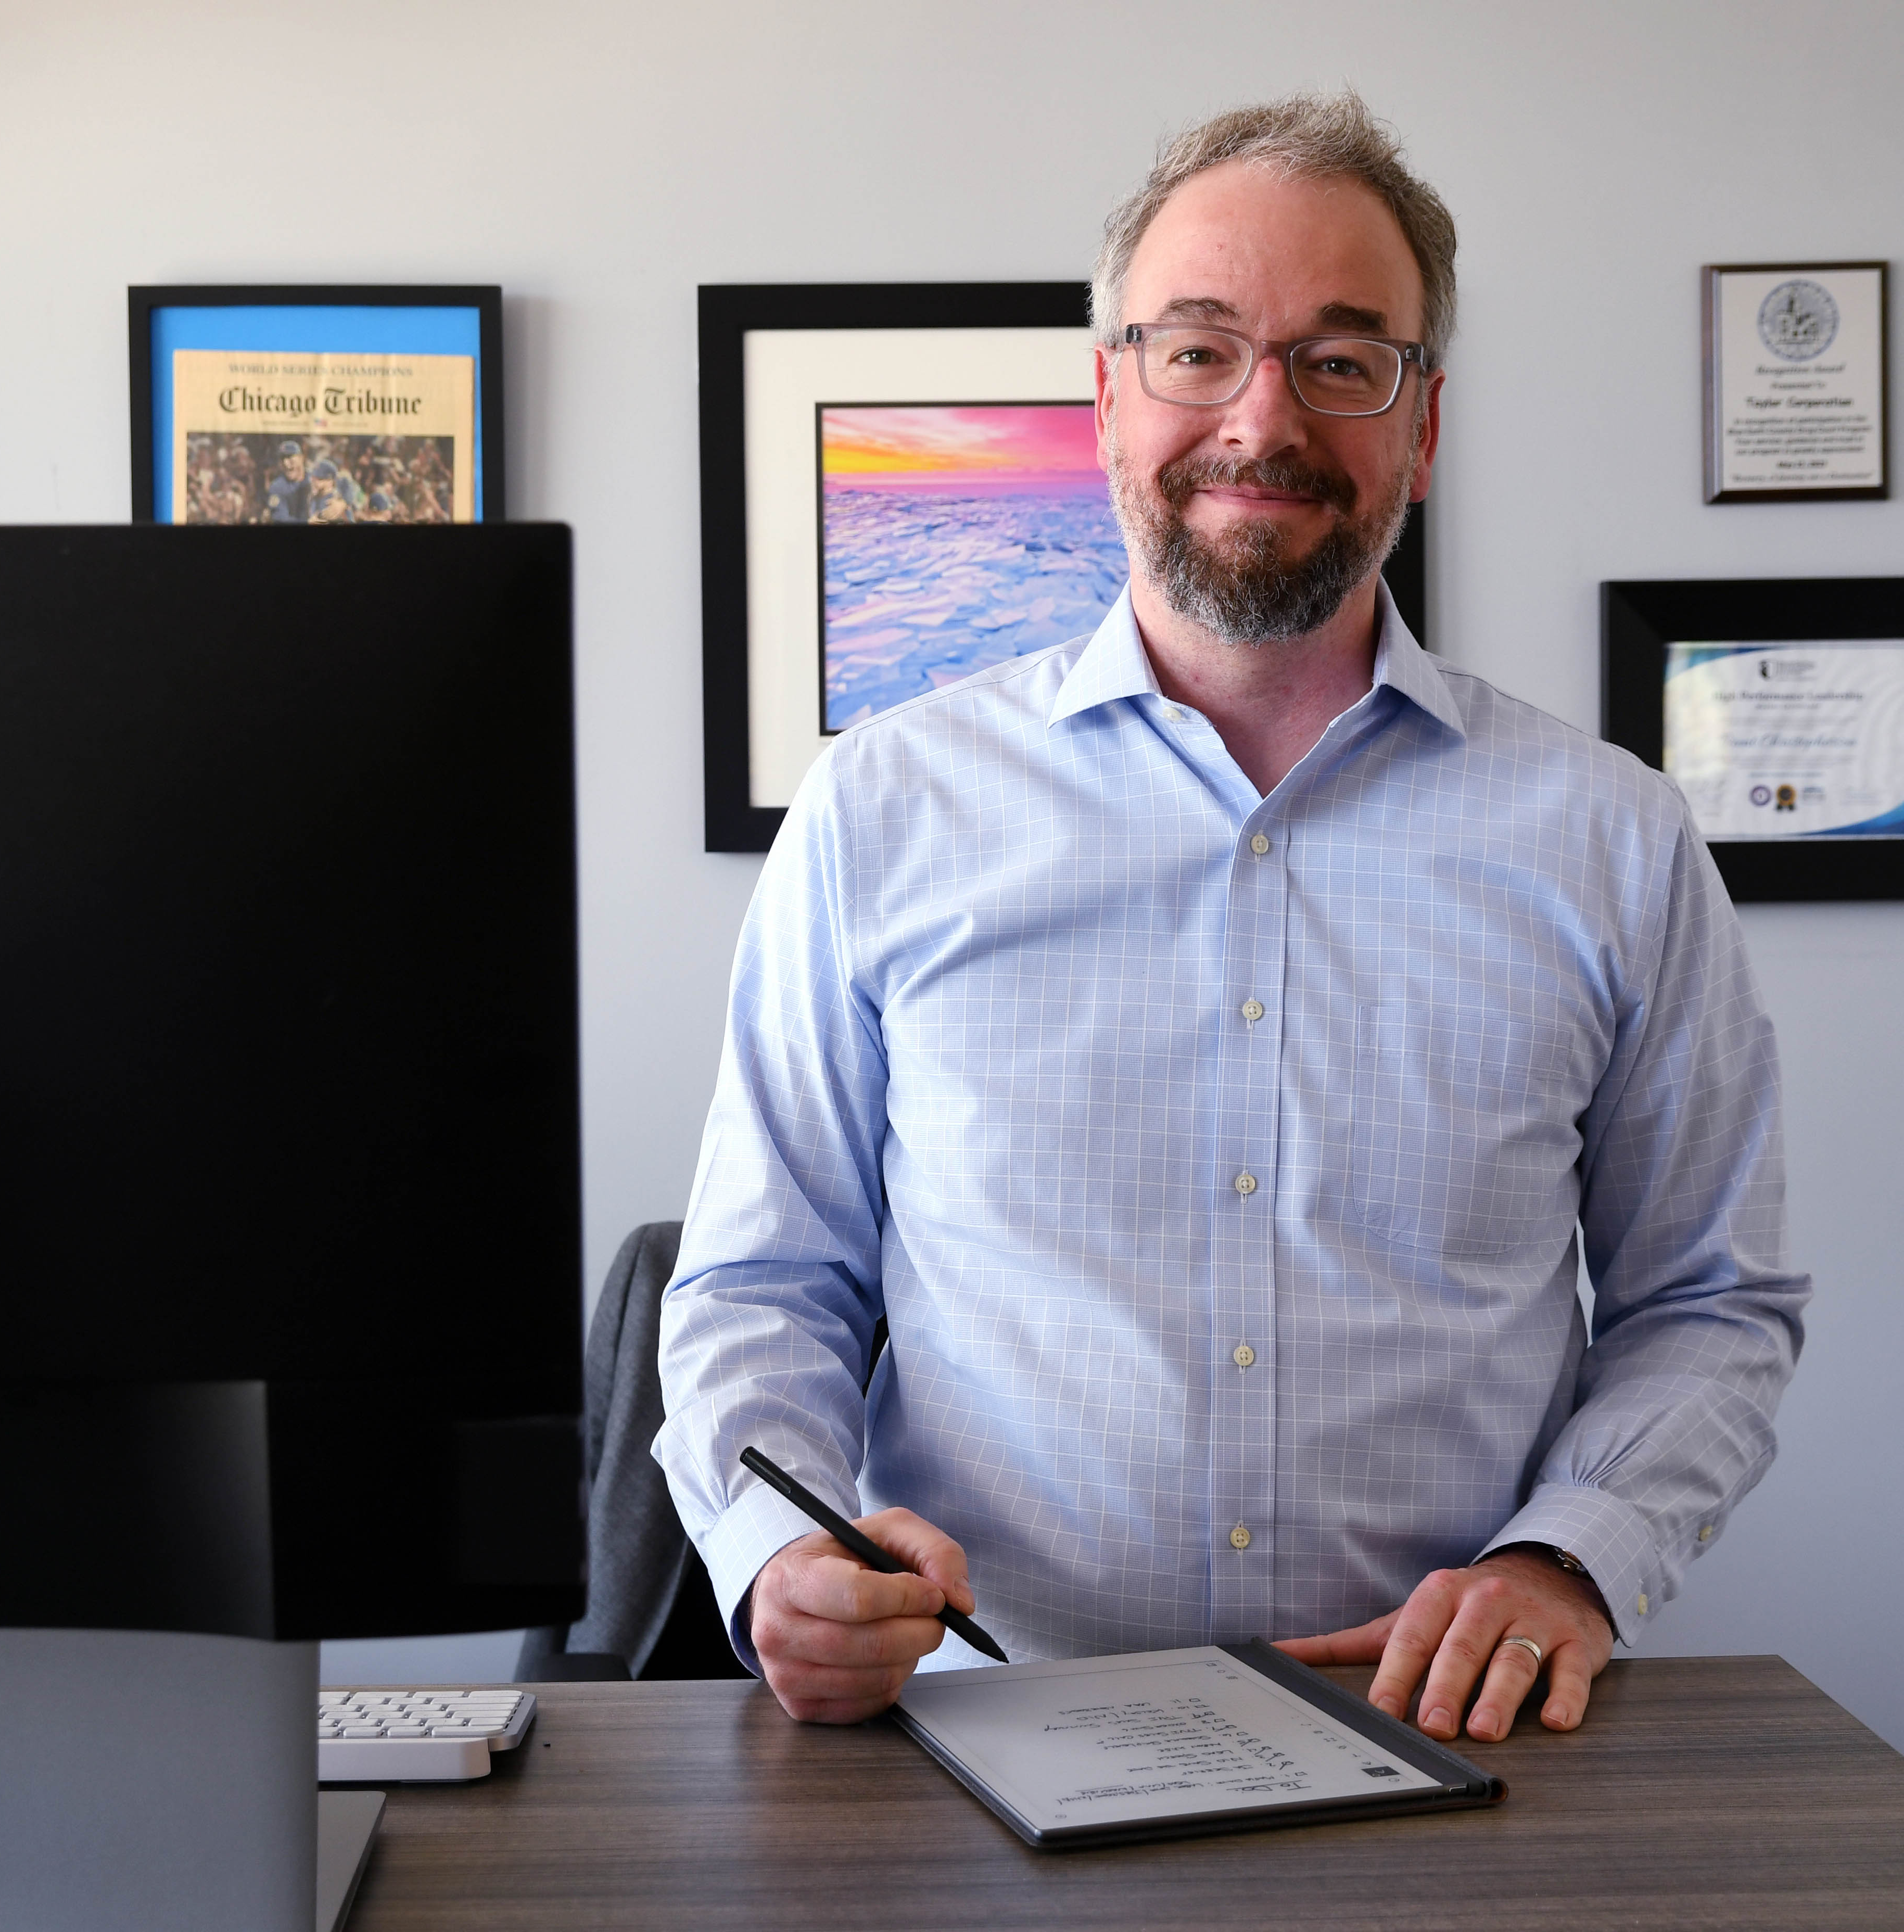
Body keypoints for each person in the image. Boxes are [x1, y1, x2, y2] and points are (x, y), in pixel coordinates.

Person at [655, 93, 1808, 1747]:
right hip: (978, 1748)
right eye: (1197, 351)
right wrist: (776, 1556)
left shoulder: (1609, 841)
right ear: (1109, 394)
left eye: (1342, 361)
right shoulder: (882, 810)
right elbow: (761, 1283)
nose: (1261, 419)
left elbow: (1710, 1298)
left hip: (1448, 1752)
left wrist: (1572, 1557)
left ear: (1422, 423)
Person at [264, 440, 309, 524]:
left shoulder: (314, 478)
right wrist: (308, 523)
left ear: (301, 458)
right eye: (282, 459)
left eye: (289, 457)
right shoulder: (277, 487)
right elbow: (280, 519)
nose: (285, 463)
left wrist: (341, 503)